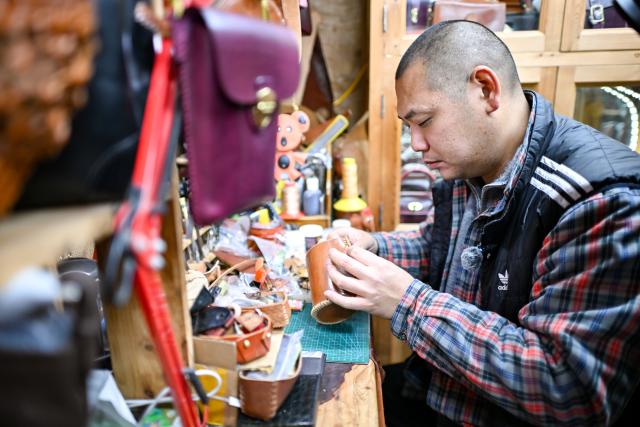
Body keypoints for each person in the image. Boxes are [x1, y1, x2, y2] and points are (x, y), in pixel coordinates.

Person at [326, 20, 640, 426]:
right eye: (408, 128)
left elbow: (566, 386)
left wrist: (407, 303)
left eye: (424, 121)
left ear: (486, 90)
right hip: (443, 392)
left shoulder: (600, 202)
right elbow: (441, 250)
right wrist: (374, 248)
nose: (416, 144)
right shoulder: (474, 163)